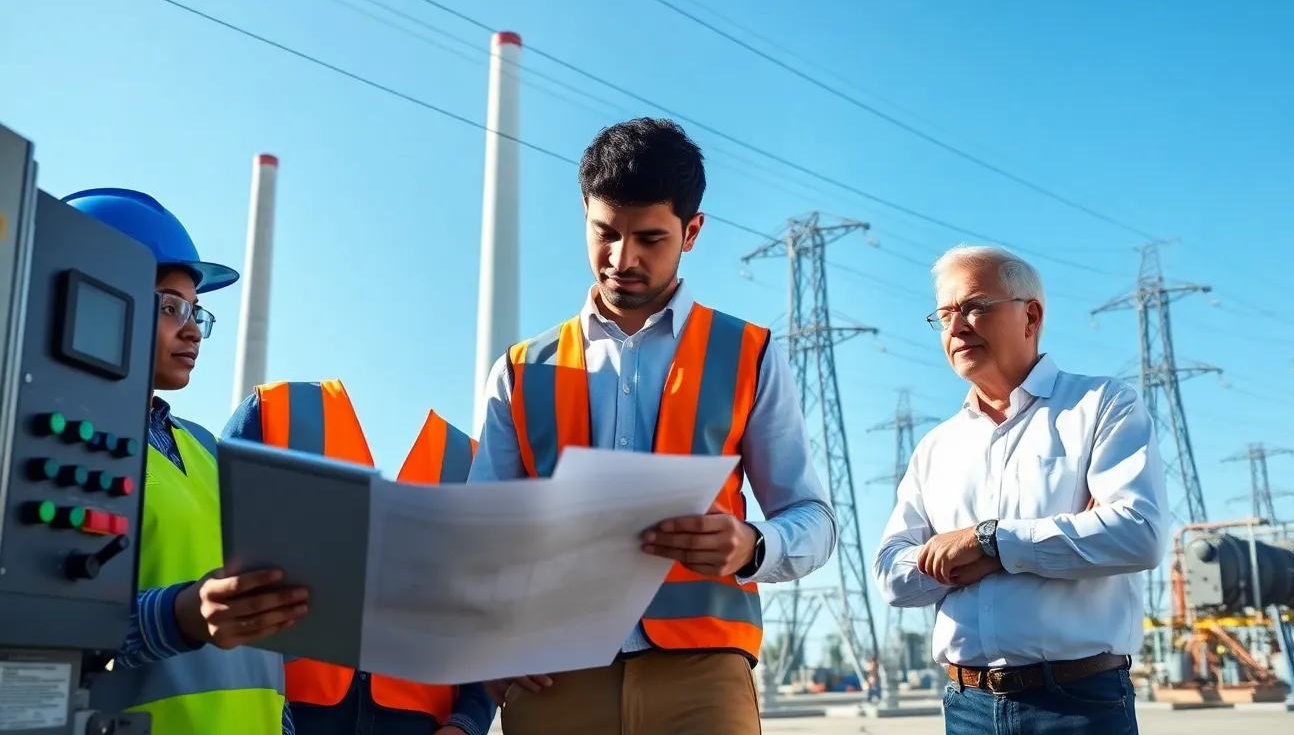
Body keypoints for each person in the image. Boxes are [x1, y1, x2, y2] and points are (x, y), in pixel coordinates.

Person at [469, 117, 838, 734]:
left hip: (702, 672)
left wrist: (751, 547)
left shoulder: (748, 353)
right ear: (584, 214)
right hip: (552, 672)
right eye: (605, 233)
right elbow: (480, 531)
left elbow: (814, 518)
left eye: (649, 238)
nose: (623, 258)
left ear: (692, 232)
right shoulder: (518, 369)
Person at [871, 244, 1168, 734]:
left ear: (1031, 316)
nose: (956, 326)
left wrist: (989, 542)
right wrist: (1041, 543)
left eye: (975, 307)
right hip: (967, 708)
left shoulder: (1099, 407)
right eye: (944, 314)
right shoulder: (936, 446)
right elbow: (891, 575)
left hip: (1078, 705)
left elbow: (1137, 533)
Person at [66, 188, 307, 734]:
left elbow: (258, 647)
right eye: (171, 306)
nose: (194, 328)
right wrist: (179, 615)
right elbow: (41, 624)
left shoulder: (207, 449)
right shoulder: (43, 442)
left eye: (197, 311)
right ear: (97, 296)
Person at [220, 379, 496, 735]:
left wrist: (467, 723)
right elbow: (213, 558)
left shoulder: (469, 461)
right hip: (287, 712)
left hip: (423, 723)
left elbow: (488, 618)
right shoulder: (274, 411)